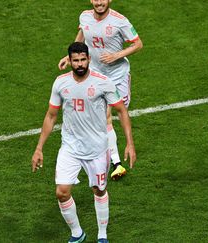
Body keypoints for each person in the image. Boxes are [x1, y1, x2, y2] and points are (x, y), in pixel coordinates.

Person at [32, 42, 136, 243]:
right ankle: (77, 234)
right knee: (61, 193)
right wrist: (39, 148)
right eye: (75, 60)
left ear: (89, 59)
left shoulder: (103, 82)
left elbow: (121, 111)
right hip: (70, 148)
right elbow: (51, 116)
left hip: (97, 149)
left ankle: (102, 235)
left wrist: (129, 143)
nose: (79, 64)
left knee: (99, 190)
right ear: (69, 61)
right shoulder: (60, 83)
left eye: (82, 60)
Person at [58, 0, 143, 180]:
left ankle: (110, 160)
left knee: (119, 113)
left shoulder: (120, 21)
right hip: (95, 75)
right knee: (103, 117)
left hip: (118, 76)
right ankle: (116, 163)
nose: (99, 2)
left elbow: (138, 44)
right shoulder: (85, 16)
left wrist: (116, 55)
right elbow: (82, 34)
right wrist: (70, 56)